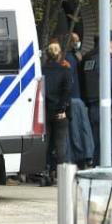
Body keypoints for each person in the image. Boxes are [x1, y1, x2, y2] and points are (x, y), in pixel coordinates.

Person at [82, 31, 112, 164]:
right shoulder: (108, 63)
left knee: (98, 148)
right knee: (110, 149)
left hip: (92, 108)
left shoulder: (88, 61)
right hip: (109, 110)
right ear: (109, 43)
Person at [42, 43, 72, 184]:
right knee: (60, 145)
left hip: (45, 111)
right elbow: (66, 92)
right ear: (59, 54)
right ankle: (61, 173)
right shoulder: (65, 71)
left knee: (46, 143)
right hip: (60, 113)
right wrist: (62, 109)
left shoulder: (42, 71)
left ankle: (46, 171)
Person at [65, 33, 93, 167]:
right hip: (75, 99)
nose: (78, 43)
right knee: (79, 131)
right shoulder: (71, 58)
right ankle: (83, 157)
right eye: (76, 41)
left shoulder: (72, 58)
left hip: (75, 98)